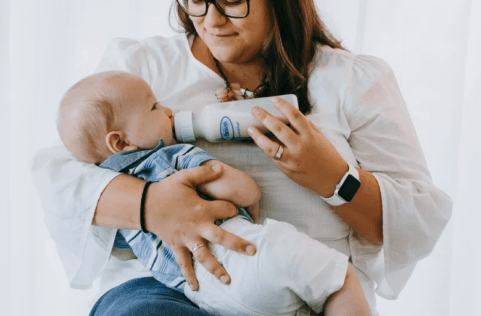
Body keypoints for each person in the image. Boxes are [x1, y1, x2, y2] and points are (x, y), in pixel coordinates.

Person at [32, 0, 452, 316]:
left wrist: (334, 178)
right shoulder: (138, 70)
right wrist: (152, 206)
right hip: (166, 289)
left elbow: (419, 224)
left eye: (232, 0)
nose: (211, 20)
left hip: (304, 293)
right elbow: (60, 175)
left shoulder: (353, 81)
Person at [56, 70, 372, 316]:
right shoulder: (172, 158)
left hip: (206, 294)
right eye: (154, 106)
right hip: (252, 256)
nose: (167, 110)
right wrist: (251, 196)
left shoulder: (111, 202)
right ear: (121, 143)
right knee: (339, 279)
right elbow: (242, 190)